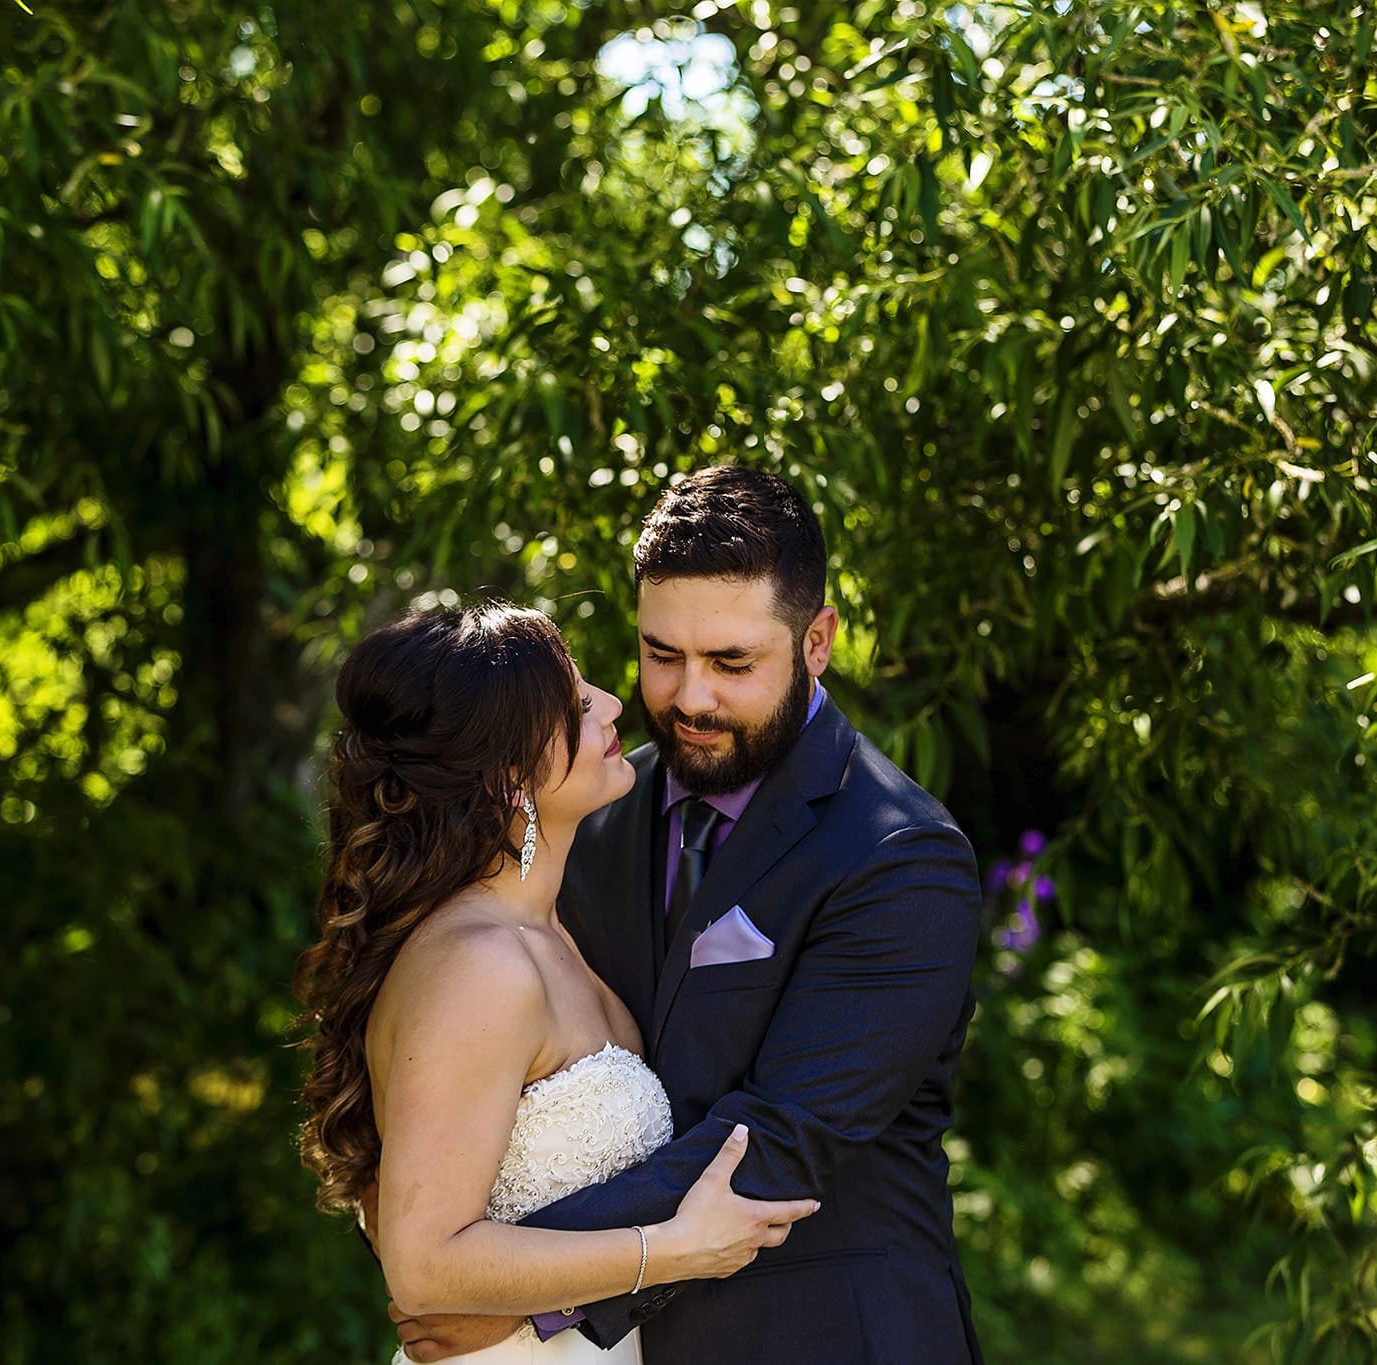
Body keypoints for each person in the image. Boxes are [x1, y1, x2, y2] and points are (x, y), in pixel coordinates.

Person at [392, 466, 986, 1364]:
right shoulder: (586, 819)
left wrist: (499, 1292)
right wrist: (425, 1235)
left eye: (731, 662)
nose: (690, 697)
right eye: (662, 654)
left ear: (816, 641)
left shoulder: (898, 855)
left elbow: (778, 1142)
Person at [294, 603, 821, 1364]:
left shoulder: (548, 931)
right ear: (510, 778)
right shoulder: (480, 966)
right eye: (575, 703)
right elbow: (423, 1262)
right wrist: (672, 1249)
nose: (611, 703)